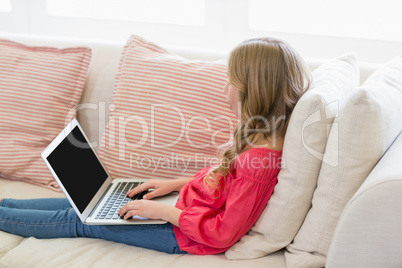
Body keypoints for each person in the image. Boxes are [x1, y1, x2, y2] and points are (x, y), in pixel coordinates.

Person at [0, 37, 311, 255]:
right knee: (83, 205)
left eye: (231, 83)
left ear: (252, 92)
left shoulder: (261, 161)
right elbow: (224, 184)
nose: (225, 91)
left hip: (181, 233)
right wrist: (173, 184)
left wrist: (161, 212)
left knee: (80, 220)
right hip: (180, 212)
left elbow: (223, 233)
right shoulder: (263, 139)